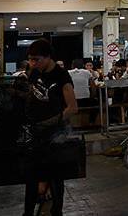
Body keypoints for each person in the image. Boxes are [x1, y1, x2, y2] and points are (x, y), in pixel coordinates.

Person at [23, 38, 77, 216]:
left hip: (56, 132)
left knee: (55, 176)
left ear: (48, 57)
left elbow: (72, 108)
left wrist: (51, 121)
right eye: (30, 59)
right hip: (36, 131)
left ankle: (56, 211)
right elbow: (30, 94)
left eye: (36, 59)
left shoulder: (62, 76)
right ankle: (28, 212)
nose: (32, 63)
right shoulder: (34, 72)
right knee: (32, 176)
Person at [69, 59, 98, 124]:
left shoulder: (68, 73)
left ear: (72, 66)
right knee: (96, 103)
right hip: (86, 100)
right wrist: (93, 96)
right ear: (83, 65)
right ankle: (91, 121)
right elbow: (93, 87)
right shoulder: (87, 72)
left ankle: (69, 123)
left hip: (74, 101)